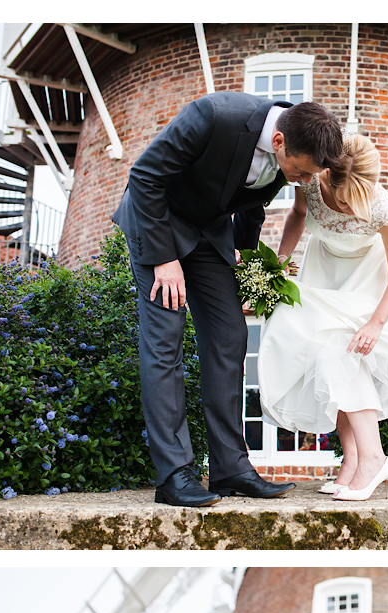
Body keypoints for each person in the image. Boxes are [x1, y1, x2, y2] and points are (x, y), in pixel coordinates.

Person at [112, 95, 343, 506]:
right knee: (166, 339)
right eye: (302, 172)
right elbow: (144, 177)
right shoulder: (213, 116)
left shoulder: (291, 148)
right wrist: (164, 260)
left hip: (208, 235)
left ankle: (230, 468)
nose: (305, 183)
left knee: (229, 336)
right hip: (157, 223)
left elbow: (251, 209)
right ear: (278, 141)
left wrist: (244, 270)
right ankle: (175, 475)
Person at [259, 133, 388, 501]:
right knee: (326, 357)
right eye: (343, 200)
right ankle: (352, 462)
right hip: (324, 273)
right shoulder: (311, 184)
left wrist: (375, 323)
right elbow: (298, 215)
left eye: (359, 202)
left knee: (344, 351)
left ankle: (374, 458)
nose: (352, 210)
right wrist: (281, 261)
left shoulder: (383, 207)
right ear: (328, 179)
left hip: (375, 285)